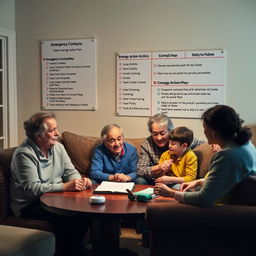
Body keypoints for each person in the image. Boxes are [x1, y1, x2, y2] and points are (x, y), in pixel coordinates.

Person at [10, 112, 92, 256]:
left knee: (86, 212)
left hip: (55, 198)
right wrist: (65, 186)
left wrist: (78, 181)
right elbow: (32, 189)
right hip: (30, 205)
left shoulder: (58, 147)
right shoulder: (24, 154)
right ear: (38, 136)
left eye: (56, 128)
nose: (57, 133)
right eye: (52, 130)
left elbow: (69, 171)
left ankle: (77, 251)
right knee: (70, 219)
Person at [154, 105, 256, 207]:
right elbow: (226, 181)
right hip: (222, 203)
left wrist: (170, 193)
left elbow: (204, 198)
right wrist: (199, 182)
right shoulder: (246, 145)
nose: (204, 132)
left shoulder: (226, 156)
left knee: (159, 206)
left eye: (205, 128)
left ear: (213, 132)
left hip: (215, 211)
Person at [137, 113, 203, 184]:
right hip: (154, 179)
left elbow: (198, 143)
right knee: (140, 180)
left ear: (170, 131)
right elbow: (140, 170)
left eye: (162, 133)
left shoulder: (179, 138)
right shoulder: (147, 145)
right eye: (155, 134)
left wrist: (214, 143)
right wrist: (159, 167)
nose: (159, 138)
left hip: (175, 181)